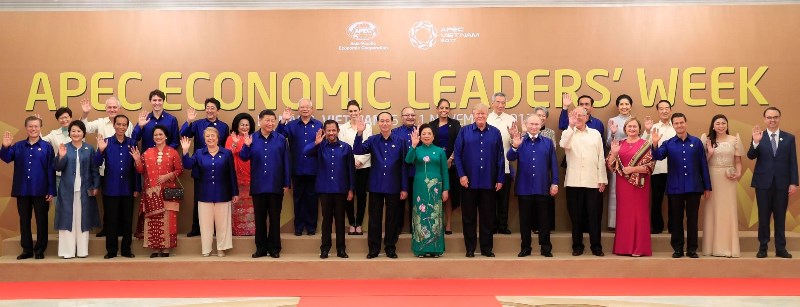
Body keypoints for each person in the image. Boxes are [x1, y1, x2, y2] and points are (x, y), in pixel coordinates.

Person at [651, 113, 711, 258]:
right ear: (673, 125)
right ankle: (677, 249)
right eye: (676, 123)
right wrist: (654, 143)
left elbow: (703, 165)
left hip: (694, 187)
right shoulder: (668, 143)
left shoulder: (696, 142)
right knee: (676, 219)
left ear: (686, 123)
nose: (679, 125)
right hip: (675, 187)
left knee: (692, 219)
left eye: (681, 122)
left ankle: (692, 249)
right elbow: (658, 156)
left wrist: (707, 186)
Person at [353, 112, 408, 259]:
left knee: (392, 219)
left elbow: (404, 165)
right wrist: (359, 132)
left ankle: (390, 247)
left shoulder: (401, 141)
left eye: (387, 121)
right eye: (381, 121)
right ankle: (374, 249)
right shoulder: (372, 140)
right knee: (374, 219)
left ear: (392, 122)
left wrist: (404, 187)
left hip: (394, 186)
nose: (384, 123)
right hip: (376, 185)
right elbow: (357, 150)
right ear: (378, 123)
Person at [1, 116, 56, 260]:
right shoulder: (18, 146)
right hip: (22, 190)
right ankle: (26, 249)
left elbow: (51, 170)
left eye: (36, 126)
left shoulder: (47, 147)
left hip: (41, 191)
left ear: (40, 128)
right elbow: (6, 158)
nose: (33, 129)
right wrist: (5, 146)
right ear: (26, 128)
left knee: (41, 220)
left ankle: (40, 250)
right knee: (24, 220)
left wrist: (51, 190)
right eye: (30, 126)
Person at [454, 104, 504, 258]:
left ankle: (486, 249)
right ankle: (470, 248)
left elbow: (500, 157)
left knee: (488, 218)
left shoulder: (495, 133)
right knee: (468, 217)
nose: (481, 116)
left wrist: (500, 178)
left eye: (483, 113)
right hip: (468, 182)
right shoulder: (464, 131)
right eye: (478, 113)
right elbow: (457, 155)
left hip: (489, 182)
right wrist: (462, 175)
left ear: (487, 114)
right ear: (473, 115)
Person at [240, 110, 291, 258]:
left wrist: (286, 182)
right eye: (267, 120)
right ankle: (261, 248)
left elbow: (286, 162)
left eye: (273, 120)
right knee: (260, 219)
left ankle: (274, 248)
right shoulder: (252, 138)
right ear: (260, 121)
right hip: (258, 186)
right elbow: (243, 157)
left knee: (275, 218)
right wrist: (246, 146)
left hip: (276, 185)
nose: (270, 123)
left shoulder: (281, 139)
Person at [748, 107, 798, 258]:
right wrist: (755, 142)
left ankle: (780, 249)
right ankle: (763, 248)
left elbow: (792, 162)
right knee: (763, 217)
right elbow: (751, 156)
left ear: (779, 118)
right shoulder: (758, 136)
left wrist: (793, 182)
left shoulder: (789, 138)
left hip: (782, 184)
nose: (772, 120)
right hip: (763, 183)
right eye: (769, 117)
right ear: (764, 119)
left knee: (780, 217)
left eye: (775, 117)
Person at [80, 97, 133, 238]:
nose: (112, 110)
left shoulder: (128, 124)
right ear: (106, 109)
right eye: (109, 107)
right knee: (108, 201)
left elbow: (130, 142)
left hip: (122, 169)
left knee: (123, 203)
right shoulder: (100, 122)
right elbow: (83, 128)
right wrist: (85, 114)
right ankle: (108, 228)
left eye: (115, 107)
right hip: (104, 167)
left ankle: (120, 229)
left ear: (119, 109)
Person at [181, 128, 238, 257]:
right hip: (204, 193)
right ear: (204, 138)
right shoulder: (199, 153)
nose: (210, 138)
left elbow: (231, 174)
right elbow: (188, 165)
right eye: (207, 136)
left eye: (213, 136)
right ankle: (206, 249)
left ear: (218, 138)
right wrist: (185, 152)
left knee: (222, 224)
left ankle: (221, 248)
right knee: (205, 224)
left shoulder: (227, 153)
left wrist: (235, 192)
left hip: (223, 193)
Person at [507, 115, 558, 257]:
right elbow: (510, 157)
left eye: (537, 124)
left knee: (544, 220)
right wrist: (514, 146)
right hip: (524, 188)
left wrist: (555, 182)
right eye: (531, 124)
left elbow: (553, 165)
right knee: (525, 221)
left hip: (543, 187)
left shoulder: (547, 143)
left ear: (541, 125)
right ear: (526, 124)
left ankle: (546, 248)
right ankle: (525, 248)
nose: (534, 126)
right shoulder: (520, 141)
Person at [304, 120, 355, 259]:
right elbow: (305, 152)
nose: (331, 133)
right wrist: (316, 143)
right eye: (328, 130)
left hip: (341, 189)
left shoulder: (346, 147)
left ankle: (341, 249)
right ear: (324, 132)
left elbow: (351, 170)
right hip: (324, 189)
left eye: (334, 130)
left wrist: (351, 189)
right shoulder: (320, 146)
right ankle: (325, 249)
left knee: (340, 220)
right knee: (326, 220)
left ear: (338, 131)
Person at [560, 106, 607, 257]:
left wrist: (602, 179)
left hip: (593, 181)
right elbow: (563, 145)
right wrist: (570, 125)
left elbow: (601, 157)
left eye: (582, 115)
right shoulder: (568, 133)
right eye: (575, 115)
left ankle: (596, 246)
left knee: (594, 216)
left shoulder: (595, 134)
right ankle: (577, 246)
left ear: (587, 117)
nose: (579, 117)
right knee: (576, 217)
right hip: (574, 182)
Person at [180, 97, 230, 237]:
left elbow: (225, 148)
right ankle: (196, 228)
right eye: (207, 107)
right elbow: (183, 134)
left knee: (217, 201)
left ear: (218, 111)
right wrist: (188, 121)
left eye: (212, 108)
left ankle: (215, 229)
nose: (209, 110)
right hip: (200, 167)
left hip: (218, 169)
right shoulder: (197, 124)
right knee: (199, 200)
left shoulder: (224, 126)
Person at [133, 125, 183, 258]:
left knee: (169, 220)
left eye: (161, 134)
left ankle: (166, 249)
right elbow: (140, 170)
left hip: (168, 193)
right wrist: (137, 160)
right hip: (151, 194)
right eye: (155, 135)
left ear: (166, 136)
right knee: (154, 221)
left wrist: (167, 176)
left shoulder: (173, 152)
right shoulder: (147, 152)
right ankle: (155, 249)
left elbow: (179, 170)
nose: (158, 137)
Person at [607, 117, 654, 257]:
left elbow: (650, 166)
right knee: (624, 215)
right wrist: (614, 154)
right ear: (625, 129)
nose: (632, 129)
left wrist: (632, 170)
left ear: (639, 129)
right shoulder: (619, 144)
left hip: (640, 185)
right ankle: (623, 248)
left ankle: (639, 248)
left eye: (634, 126)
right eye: (629, 126)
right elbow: (610, 165)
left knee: (639, 215)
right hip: (623, 185)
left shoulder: (645, 144)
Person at [95, 115, 140, 259]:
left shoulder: (133, 143)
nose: (121, 127)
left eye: (124, 125)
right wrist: (100, 151)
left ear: (127, 127)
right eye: (118, 124)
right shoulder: (106, 142)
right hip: (110, 188)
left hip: (127, 188)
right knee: (111, 221)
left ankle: (126, 249)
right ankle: (112, 250)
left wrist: (137, 187)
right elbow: (96, 163)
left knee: (127, 221)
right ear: (114, 125)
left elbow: (136, 169)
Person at [54, 120, 101, 259]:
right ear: (69, 133)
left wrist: (95, 186)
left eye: (79, 131)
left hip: (84, 190)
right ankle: (66, 252)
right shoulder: (64, 147)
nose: (76, 133)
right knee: (67, 218)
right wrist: (61, 157)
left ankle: (82, 251)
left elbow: (94, 169)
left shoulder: (89, 148)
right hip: (67, 189)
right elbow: (57, 167)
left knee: (82, 220)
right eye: (73, 131)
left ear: (83, 133)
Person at [278, 98, 323, 236]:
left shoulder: (319, 125)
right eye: (302, 107)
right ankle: (298, 227)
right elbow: (278, 137)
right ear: (298, 109)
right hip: (296, 168)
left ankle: (311, 227)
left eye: (307, 107)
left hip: (314, 168)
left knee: (312, 199)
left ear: (312, 109)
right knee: (298, 199)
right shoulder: (291, 125)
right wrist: (283, 121)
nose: (304, 109)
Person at [700, 114, 742, 258]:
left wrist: (738, 173)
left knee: (728, 210)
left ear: (727, 125)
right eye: (718, 123)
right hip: (711, 178)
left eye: (723, 123)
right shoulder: (706, 140)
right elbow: (701, 163)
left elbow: (738, 161)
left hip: (728, 179)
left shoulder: (734, 139)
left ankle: (728, 248)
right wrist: (710, 153)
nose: (721, 126)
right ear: (713, 126)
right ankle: (711, 248)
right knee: (713, 210)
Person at [406, 124, 450, 257]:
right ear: (420, 136)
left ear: (433, 136)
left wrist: (446, 189)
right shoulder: (417, 150)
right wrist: (413, 145)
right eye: (423, 133)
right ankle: (420, 248)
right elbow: (408, 160)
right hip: (420, 186)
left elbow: (445, 171)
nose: (426, 136)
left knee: (435, 215)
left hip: (436, 187)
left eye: (429, 133)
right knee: (420, 214)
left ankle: (436, 249)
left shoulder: (440, 151)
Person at [642, 100, 676, 234]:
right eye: (661, 109)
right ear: (658, 111)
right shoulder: (653, 127)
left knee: (674, 200)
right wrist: (647, 130)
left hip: (674, 170)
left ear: (671, 110)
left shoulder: (677, 127)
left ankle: (673, 226)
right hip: (657, 169)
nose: (664, 111)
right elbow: (643, 145)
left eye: (667, 108)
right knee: (656, 200)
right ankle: (656, 227)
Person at [429, 99, 461, 235]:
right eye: (441, 108)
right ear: (437, 109)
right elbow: (428, 143)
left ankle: (448, 225)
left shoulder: (455, 124)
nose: (444, 110)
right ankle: (436, 224)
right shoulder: (431, 125)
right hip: (434, 164)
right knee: (434, 195)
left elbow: (458, 143)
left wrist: (450, 159)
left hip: (450, 165)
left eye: (447, 108)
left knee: (448, 195)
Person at [339, 100, 371, 235]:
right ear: (348, 112)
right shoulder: (342, 128)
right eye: (350, 111)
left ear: (360, 111)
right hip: (348, 166)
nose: (353, 113)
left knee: (362, 196)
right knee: (349, 196)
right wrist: (352, 162)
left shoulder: (367, 127)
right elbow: (342, 147)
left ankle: (359, 224)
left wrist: (361, 161)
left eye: (355, 110)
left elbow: (369, 146)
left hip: (364, 166)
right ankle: (352, 223)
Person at [487, 92, 516, 235]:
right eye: (497, 102)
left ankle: (503, 226)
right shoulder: (486, 118)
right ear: (492, 103)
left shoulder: (510, 119)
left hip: (505, 164)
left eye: (503, 103)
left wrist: (512, 136)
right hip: (488, 167)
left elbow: (515, 143)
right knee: (490, 199)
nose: (500, 105)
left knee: (504, 198)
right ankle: (491, 226)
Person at [41, 107, 74, 230]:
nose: (64, 120)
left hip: (76, 175)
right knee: (60, 205)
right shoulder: (54, 134)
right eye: (61, 118)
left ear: (70, 117)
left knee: (76, 205)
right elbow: (41, 140)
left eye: (66, 117)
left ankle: (74, 230)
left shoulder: (78, 130)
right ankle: (63, 231)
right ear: (58, 120)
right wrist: (38, 126)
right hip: (59, 175)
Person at [605, 94, 634, 230]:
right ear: (618, 106)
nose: (624, 107)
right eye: (621, 104)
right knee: (615, 190)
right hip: (617, 159)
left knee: (631, 191)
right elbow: (608, 143)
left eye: (627, 104)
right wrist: (613, 133)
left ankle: (629, 221)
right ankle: (614, 223)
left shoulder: (635, 120)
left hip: (633, 161)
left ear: (630, 106)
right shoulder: (612, 120)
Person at [225, 112, 256, 236]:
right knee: (236, 203)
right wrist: (234, 143)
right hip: (236, 176)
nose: (244, 127)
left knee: (252, 204)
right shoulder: (231, 138)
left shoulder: (254, 137)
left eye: (247, 125)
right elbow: (227, 155)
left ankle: (252, 230)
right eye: (242, 125)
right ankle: (237, 230)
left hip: (251, 174)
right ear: (237, 126)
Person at [532, 107, 557, 232]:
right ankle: (534, 226)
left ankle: (546, 226)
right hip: (530, 173)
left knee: (545, 200)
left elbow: (553, 150)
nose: (541, 118)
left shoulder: (550, 133)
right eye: (538, 115)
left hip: (544, 171)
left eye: (543, 116)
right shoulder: (527, 132)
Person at [393, 106, 417, 234]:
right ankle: (397, 229)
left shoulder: (421, 131)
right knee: (399, 204)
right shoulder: (395, 132)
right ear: (402, 117)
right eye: (407, 115)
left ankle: (415, 229)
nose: (410, 117)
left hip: (416, 174)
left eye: (412, 115)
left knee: (416, 203)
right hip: (400, 174)